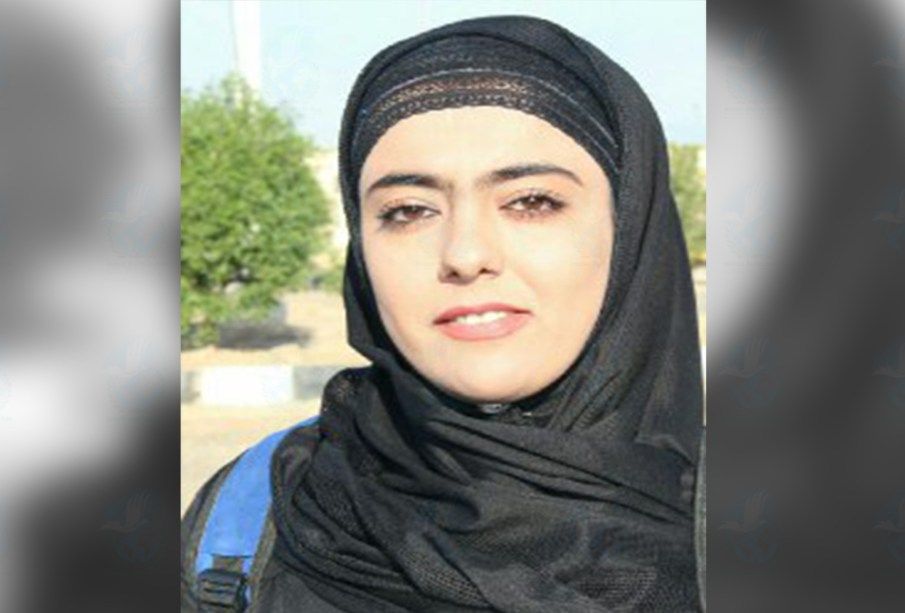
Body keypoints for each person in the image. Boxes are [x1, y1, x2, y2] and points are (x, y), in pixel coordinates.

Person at [182, 14, 704, 612]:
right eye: (408, 211)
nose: (465, 254)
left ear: (630, 228)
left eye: (531, 202)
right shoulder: (248, 525)